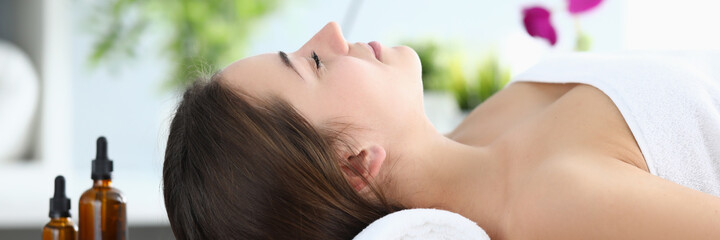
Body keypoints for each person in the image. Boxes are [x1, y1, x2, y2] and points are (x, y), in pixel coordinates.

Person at [162, 22, 720, 239]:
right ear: (358, 162)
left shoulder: (476, 133)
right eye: (313, 64)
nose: (331, 32)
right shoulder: (551, 203)